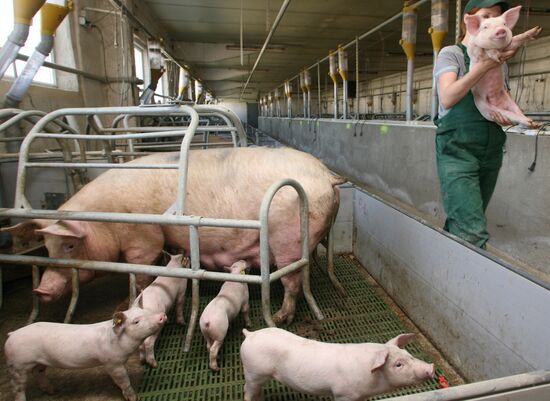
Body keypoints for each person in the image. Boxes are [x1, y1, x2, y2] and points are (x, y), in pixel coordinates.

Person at [434, 0, 520, 248]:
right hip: (457, 151)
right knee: (472, 231)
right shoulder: (452, 54)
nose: (493, 24)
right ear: (471, 23)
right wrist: (483, 66)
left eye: (498, 18)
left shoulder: (499, 61)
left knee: (466, 220)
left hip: (491, 151)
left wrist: (505, 114)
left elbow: (498, 99)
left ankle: (445, 267)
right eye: (485, 17)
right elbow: (448, 97)